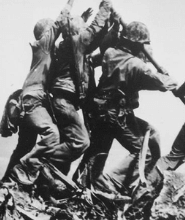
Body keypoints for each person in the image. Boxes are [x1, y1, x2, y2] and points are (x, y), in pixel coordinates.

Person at [76, 21, 178, 194]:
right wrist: (166, 75)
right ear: (138, 44)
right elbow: (163, 84)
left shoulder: (110, 53)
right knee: (145, 151)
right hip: (116, 114)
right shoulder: (137, 66)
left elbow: (94, 60)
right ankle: (113, 184)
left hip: (100, 110)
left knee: (100, 148)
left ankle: (82, 181)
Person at [7, 0, 84, 185]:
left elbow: (65, 32)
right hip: (34, 99)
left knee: (24, 144)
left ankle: (7, 180)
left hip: (31, 100)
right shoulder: (44, 45)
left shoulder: (46, 52)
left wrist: (81, 20)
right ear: (45, 33)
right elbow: (60, 22)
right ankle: (25, 169)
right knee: (52, 134)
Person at [46, 0, 114, 174]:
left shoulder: (75, 51)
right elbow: (91, 33)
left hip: (65, 103)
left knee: (67, 143)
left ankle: (52, 182)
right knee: (81, 142)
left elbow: (97, 44)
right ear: (76, 31)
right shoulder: (74, 43)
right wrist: (104, 9)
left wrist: (112, 27)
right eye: (81, 28)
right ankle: (40, 160)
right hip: (64, 102)